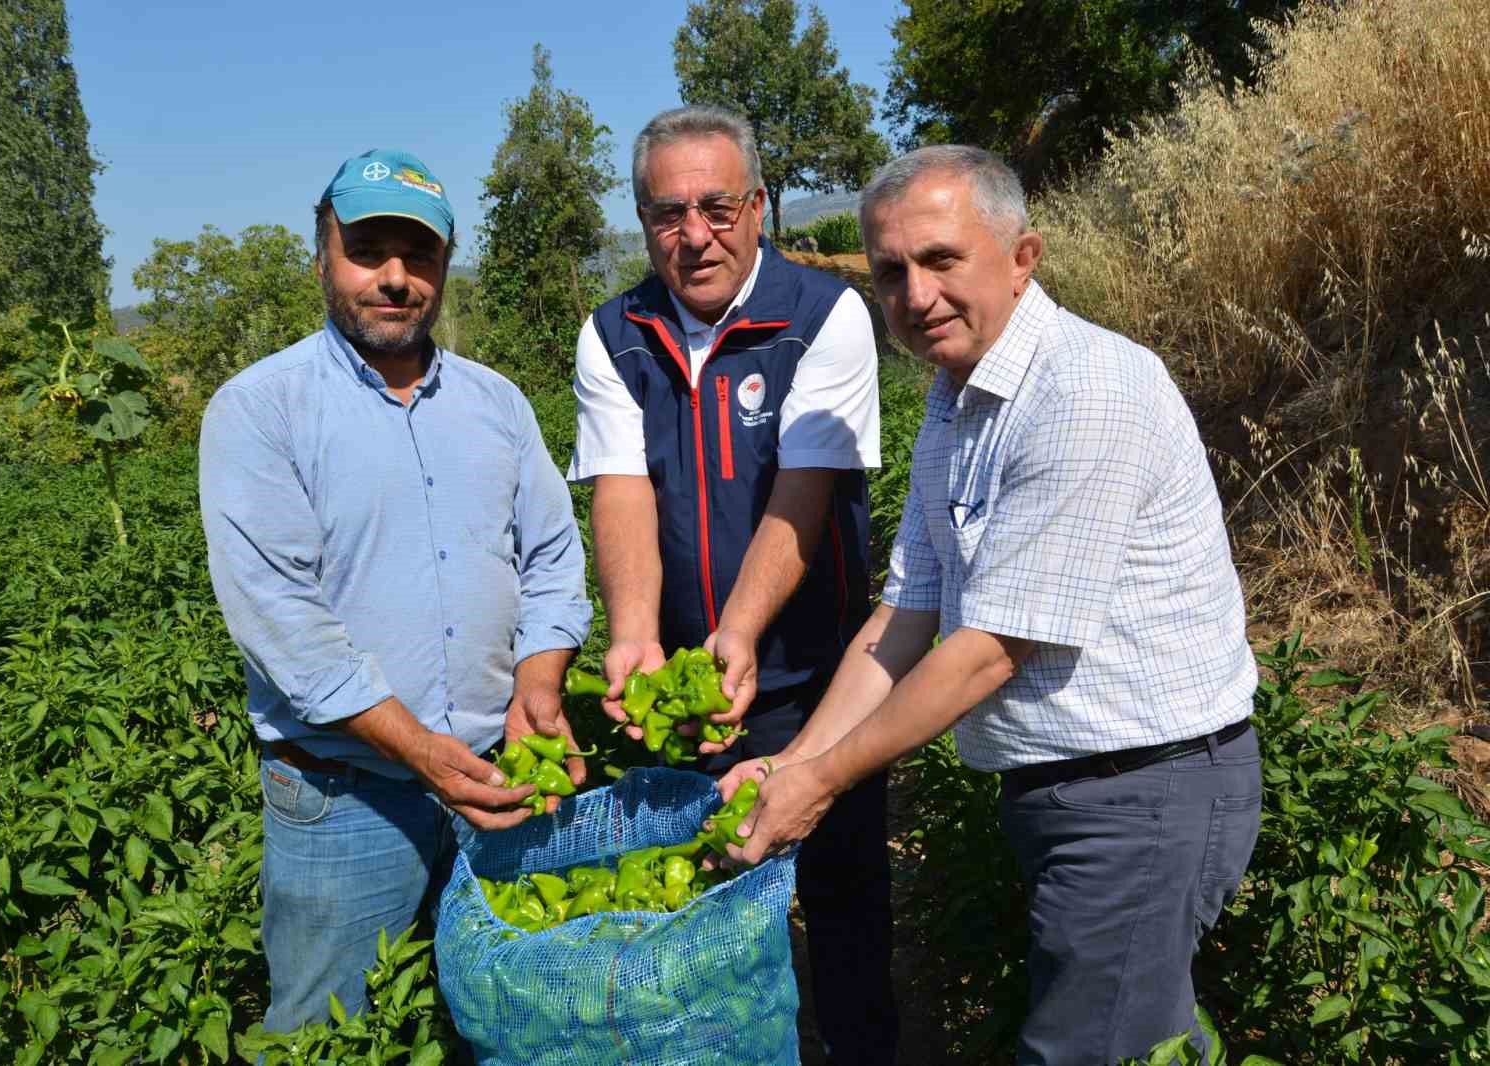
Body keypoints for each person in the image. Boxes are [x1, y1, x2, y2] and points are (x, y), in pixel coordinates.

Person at [719, 145, 1263, 1065]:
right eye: (891, 272)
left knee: (1083, 1050)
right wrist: (790, 763)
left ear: (1022, 257)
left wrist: (820, 782)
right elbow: (902, 619)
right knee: (1128, 1032)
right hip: (1075, 788)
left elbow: (988, 650)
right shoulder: (954, 402)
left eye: (941, 260)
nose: (915, 294)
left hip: (1143, 791)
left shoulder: (1084, 391)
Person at [198, 148, 591, 1033]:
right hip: (349, 798)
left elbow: (554, 559)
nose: (394, 278)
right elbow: (284, 623)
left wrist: (539, 683)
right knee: (327, 1032)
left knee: (509, 1013)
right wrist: (417, 748)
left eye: (418, 256)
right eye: (368, 249)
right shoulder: (262, 410)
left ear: (445, 265)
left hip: (500, 772)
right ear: (323, 254)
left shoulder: (498, 405)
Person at [568, 105, 898, 1065]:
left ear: (758, 206)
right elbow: (621, 489)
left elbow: (805, 492)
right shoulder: (614, 335)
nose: (694, 234)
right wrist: (633, 635)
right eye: (668, 212)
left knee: (842, 903)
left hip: (816, 680)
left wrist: (743, 631)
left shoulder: (822, 317)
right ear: (642, 222)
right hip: (688, 690)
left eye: (717, 205)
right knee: (701, 900)